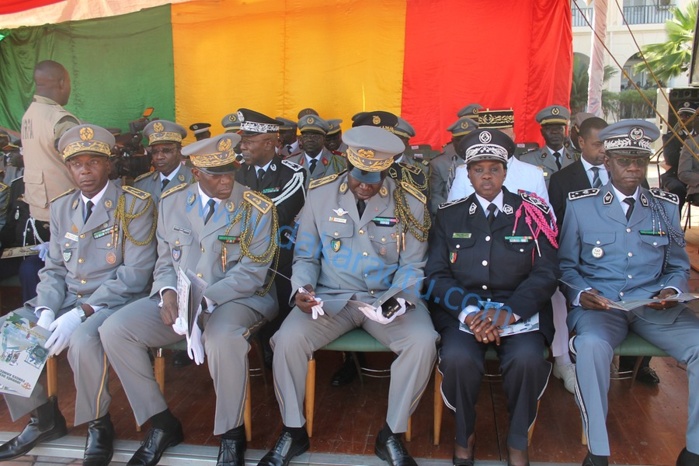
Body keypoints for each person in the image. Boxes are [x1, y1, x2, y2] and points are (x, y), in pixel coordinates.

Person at [260, 126, 437, 466]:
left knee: (423, 340)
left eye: (373, 179)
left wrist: (400, 298)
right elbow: (306, 255)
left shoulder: (409, 200)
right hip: (332, 297)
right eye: (359, 177)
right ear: (348, 165)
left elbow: (414, 264)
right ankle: (293, 430)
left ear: (386, 170)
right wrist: (302, 289)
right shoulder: (321, 194)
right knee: (287, 339)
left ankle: (392, 434)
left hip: (386, 298)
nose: (365, 185)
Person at [100, 132, 278, 466]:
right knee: (115, 329)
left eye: (230, 172)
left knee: (222, 339)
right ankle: (162, 422)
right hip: (183, 300)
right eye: (216, 174)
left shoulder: (257, 207)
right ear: (196, 173)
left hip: (236, 299)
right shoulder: (172, 201)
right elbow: (165, 260)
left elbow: (252, 274)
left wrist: (202, 302)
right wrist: (167, 293)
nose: (226, 181)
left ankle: (231, 434)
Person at [0, 124, 157, 464]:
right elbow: (54, 268)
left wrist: (81, 312)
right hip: (66, 298)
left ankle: (99, 424)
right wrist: (45, 308)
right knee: (8, 331)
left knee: (85, 339)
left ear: (109, 164)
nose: (85, 171)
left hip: (114, 299)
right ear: (68, 168)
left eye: (93, 162)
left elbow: (136, 274)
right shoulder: (62, 207)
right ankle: (42, 419)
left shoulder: (134, 204)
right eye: (76, 164)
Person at [559, 119, 699, 466]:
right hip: (601, 307)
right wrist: (581, 294)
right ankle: (598, 452)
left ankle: (694, 451)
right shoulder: (581, 205)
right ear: (607, 161)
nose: (634, 167)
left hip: (654, 306)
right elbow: (565, 267)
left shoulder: (665, 207)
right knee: (590, 346)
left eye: (640, 159)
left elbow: (679, 264)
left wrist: (671, 289)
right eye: (624, 159)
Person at [426, 128, 558, 466]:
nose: (487, 175)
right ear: (467, 174)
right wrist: (469, 313)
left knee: (528, 360)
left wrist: (510, 312)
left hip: (518, 313)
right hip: (464, 312)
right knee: (457, 358)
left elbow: (545, 273)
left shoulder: (532, 213)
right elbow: (437, 275)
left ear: (505, 171)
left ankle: (516, 440)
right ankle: (464, 434)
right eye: (479, 169)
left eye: (494, 168)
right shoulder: (449, 214)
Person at [235, 108, 307, 366]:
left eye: (249, 141)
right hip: (240, 256)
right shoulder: (234, 174)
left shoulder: (293, 173)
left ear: (269, 143)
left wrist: (238, 212)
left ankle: (276, 349)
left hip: (278, 256)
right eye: (242, 140)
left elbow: (277, 214)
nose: (242, 146)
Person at [448, 109, 548, 204]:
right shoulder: (463, 172)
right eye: (490, 134)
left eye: (501, 133)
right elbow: (455, 214)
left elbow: (545, 217)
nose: (494, 139)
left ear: (513, 137)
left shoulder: (534, 174)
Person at [134, 120, 194, 204]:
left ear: (180, 151)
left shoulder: (196, 180)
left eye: (166, 151)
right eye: (155, 152)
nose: (159, 157)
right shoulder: (142, 184)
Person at [428, 116, 478, 215]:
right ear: (453, 142)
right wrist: (451, 214)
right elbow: (435, 196)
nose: (465, 143)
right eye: (460, 140)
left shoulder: (486, 161)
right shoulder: (438, 164)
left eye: (469, 139)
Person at [519, 105, 575, 187]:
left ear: (565, 131)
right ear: (542, 132)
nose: (555, 132)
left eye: (559, 128)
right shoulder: (528, 160)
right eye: (549, 128)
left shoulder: (576, 158)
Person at [285, 114, 345, 186]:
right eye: (306, 136)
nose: (310, 139)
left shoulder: (339, 163)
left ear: (324, 138)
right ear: (300, 139)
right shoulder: (290, 163)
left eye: (315, 136)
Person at [662, 102, 695, 213]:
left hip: (695, 176)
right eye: (681, 115)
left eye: (688, 116)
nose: (683, 118)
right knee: (677, 190)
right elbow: (671, 159)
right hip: (675, 175)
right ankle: (674, 226)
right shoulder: (671, 137)